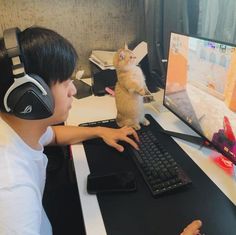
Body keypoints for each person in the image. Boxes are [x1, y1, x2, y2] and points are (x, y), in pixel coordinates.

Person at [0, 26, 202, 235]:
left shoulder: (20, 129)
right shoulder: (12, 192)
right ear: (31, 96)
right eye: (66, 82)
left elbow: (54, 135)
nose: (74, 90)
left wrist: (100, 131)